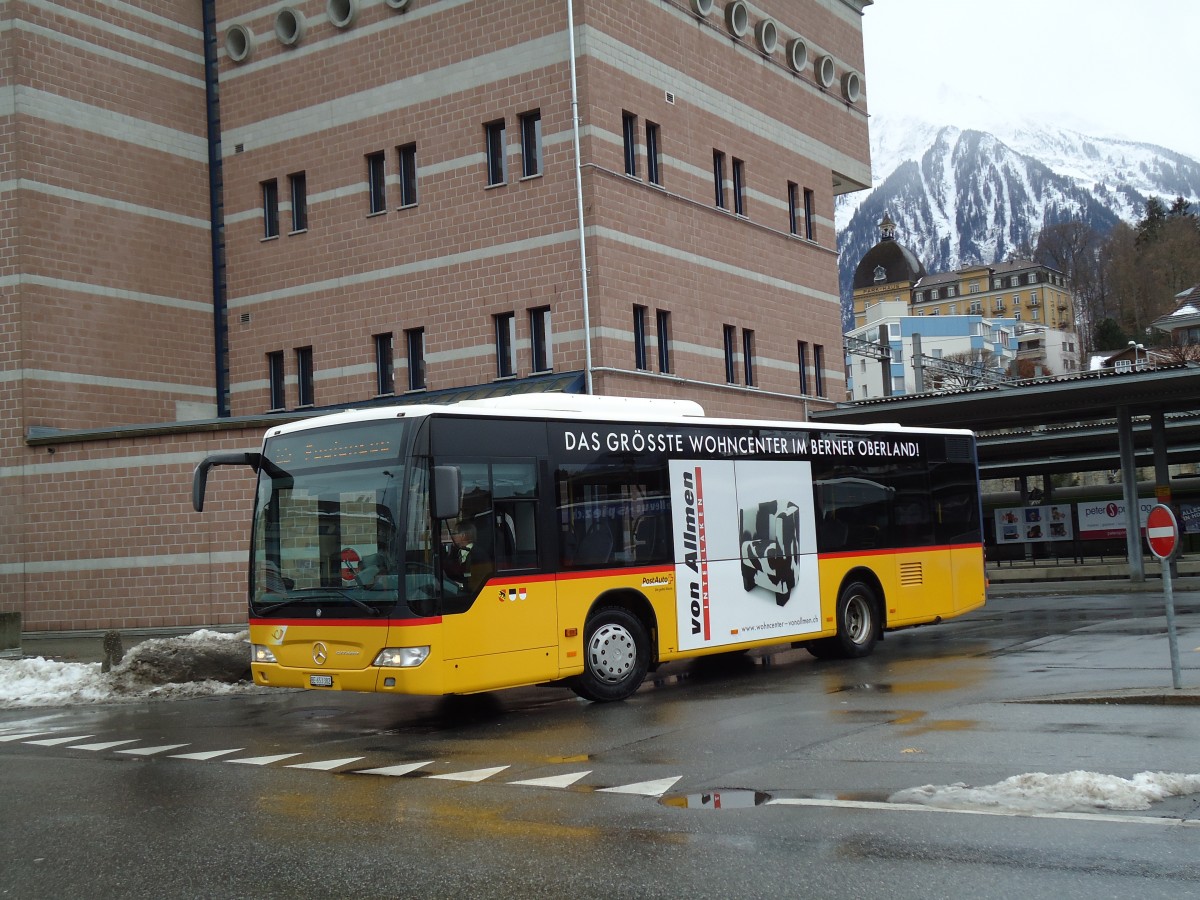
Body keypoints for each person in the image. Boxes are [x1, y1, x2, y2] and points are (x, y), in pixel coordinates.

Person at [441, 520, 476, 587]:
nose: (452, 536)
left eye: (454, 533)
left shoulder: (478, 555)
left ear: (463, 535)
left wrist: (463, 585)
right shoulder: (455, 552)